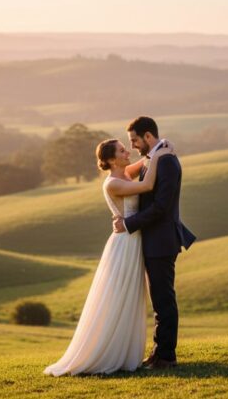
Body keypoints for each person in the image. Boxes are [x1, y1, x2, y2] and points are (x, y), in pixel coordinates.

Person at [43, 137, 174, 376]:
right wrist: (162, 154)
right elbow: (148, 185)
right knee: (118, 296)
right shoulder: (113, 183)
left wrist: (155, 151)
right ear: (112, 159)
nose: (127, 152)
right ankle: (106, 351)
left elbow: (144, 164)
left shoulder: (124, 173)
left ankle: (125, 352)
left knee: (130, 297)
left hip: (134, 241)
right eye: (123, 151)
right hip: (124, 244)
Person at [113, 116, 196, 370]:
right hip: (154, 240)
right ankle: (158, 352)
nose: (134, 145)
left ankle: (167, 357)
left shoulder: (167, 161)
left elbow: (161, 207)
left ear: (148, 136)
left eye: (135, 140)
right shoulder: (155, 157)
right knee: (160, 300)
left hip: (162, 241)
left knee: (164, 300)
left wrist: (128, 224)